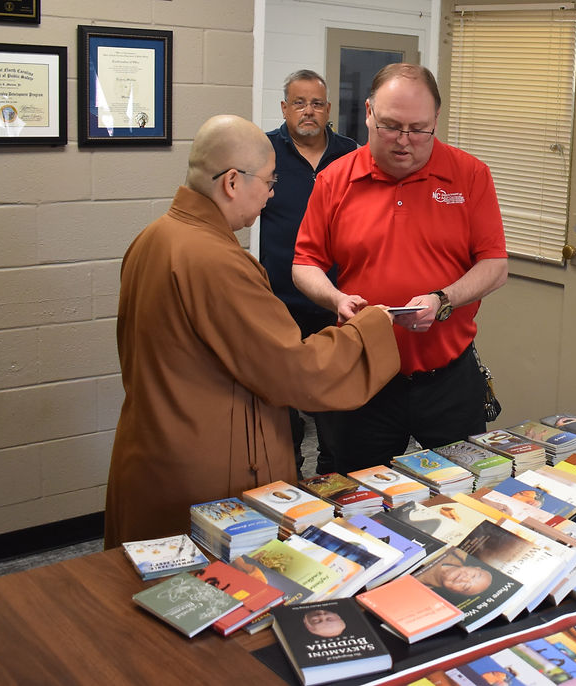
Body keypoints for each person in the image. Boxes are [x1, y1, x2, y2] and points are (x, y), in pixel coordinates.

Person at [103, 115, 400, 549]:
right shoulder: (216, 260)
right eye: (269, 181)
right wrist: (371, 327)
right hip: (206, 470)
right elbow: (291, 369)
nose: (272, 193)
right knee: (215, 583)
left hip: (154, 452)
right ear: (231, 182)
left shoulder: (154, 237)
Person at [293, 63, 508, 473]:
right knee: (358, 492)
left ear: (435, 120)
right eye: (391, 126)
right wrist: (336, 299)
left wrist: (443, 299)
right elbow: (304, 263)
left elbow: (495, 265)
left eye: (418, 129)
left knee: (467, 489)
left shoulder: (470, 175)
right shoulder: (335, 179)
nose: (404, 141)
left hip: (448, 378)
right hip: (363, 374)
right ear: (368, 113)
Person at [259, 70, 358, 475]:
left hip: (336, 303)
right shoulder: (263, 152)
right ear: (284, 108)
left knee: (335, 410)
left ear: (328, 109)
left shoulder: (351, 154)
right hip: (278, 304)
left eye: (316, 103)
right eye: (299, 103)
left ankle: (333, 479)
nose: (308, 111)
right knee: (282, 412)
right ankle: (290, 476)